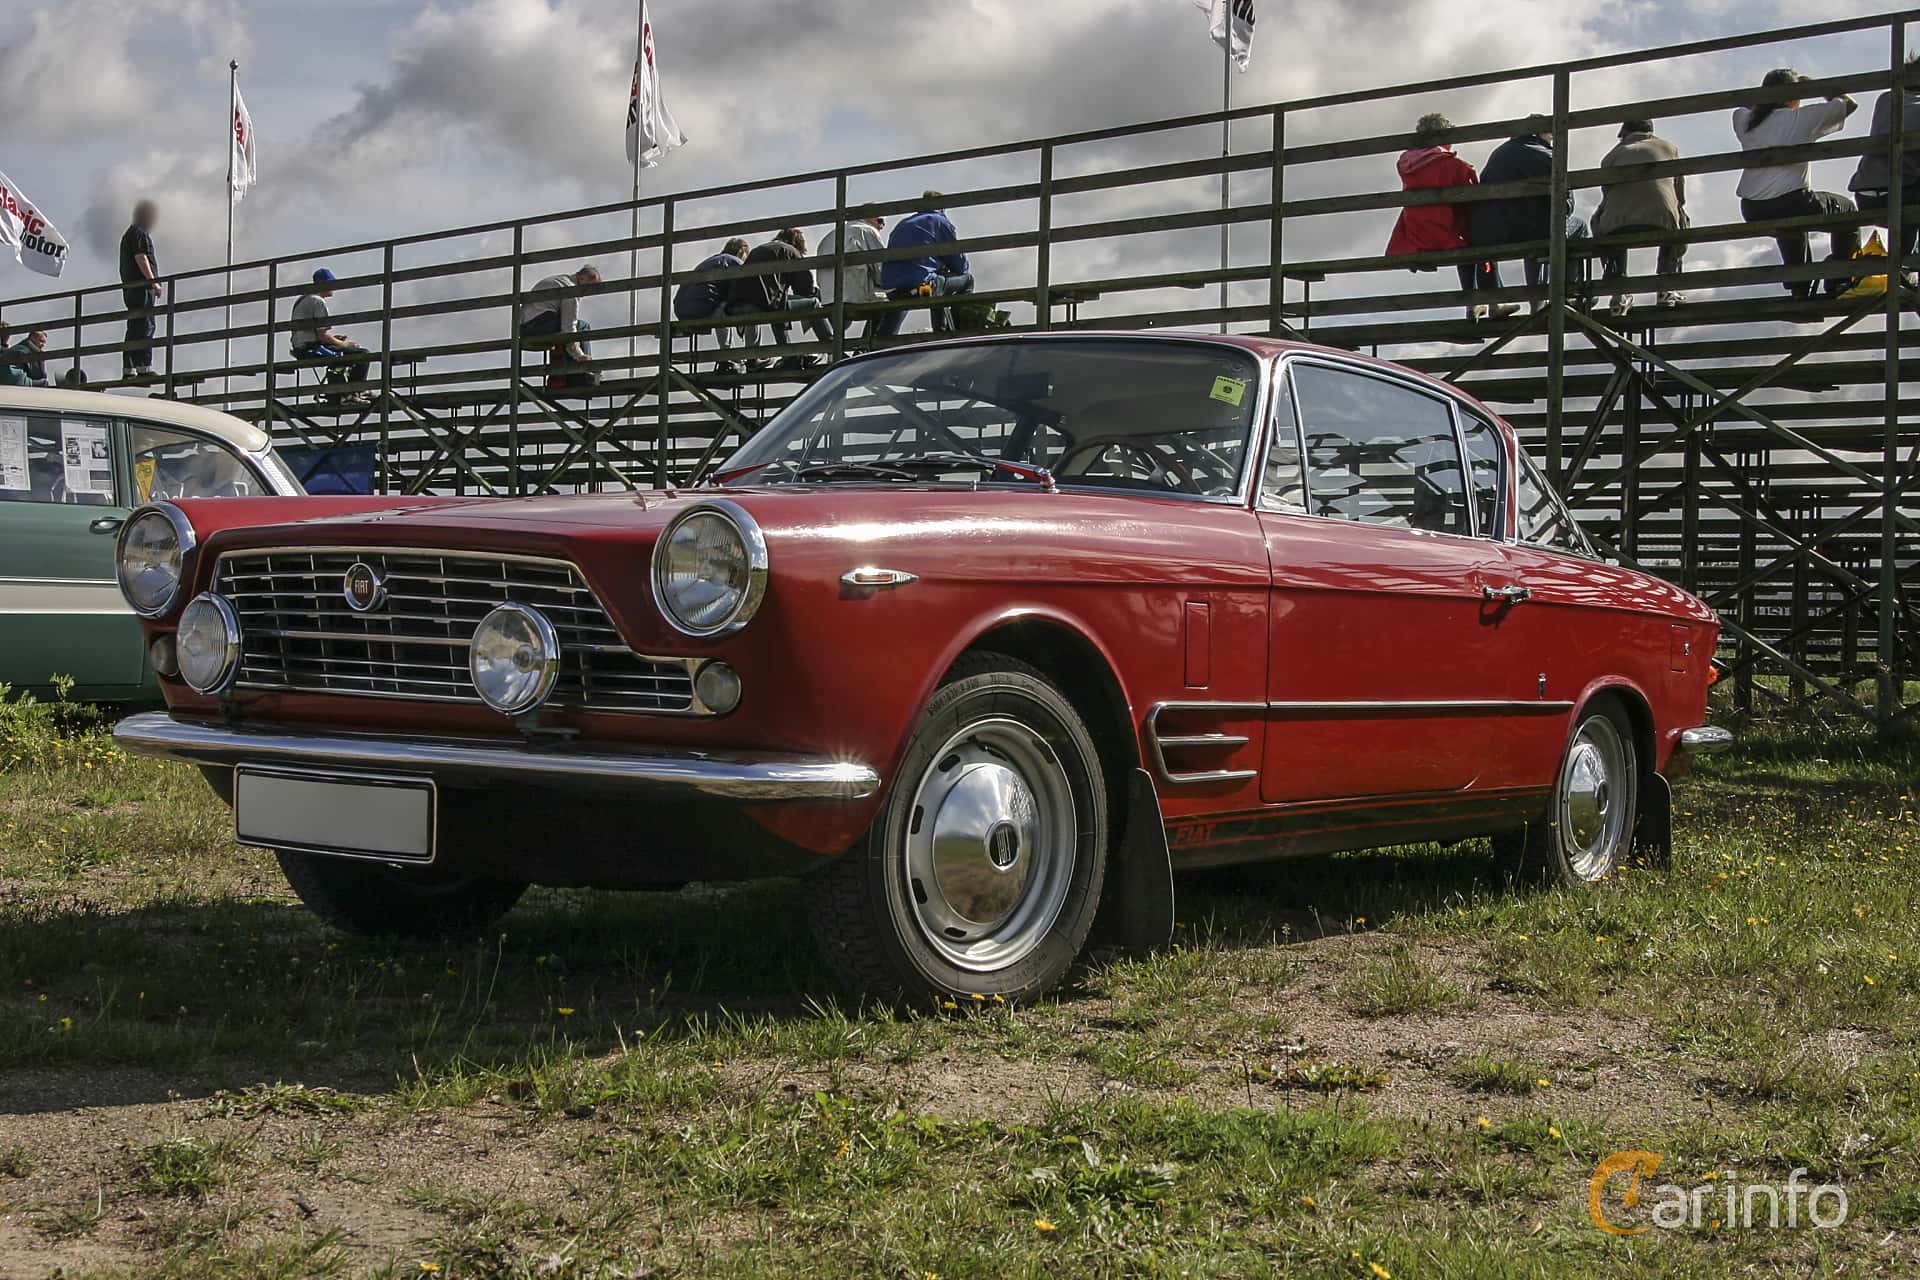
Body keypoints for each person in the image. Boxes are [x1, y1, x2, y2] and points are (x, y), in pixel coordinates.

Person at [1733, 69, 1860, 300]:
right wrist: (1814, 86)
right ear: (1794, 97)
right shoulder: (1802, 118)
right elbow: (1849, 104)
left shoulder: (1745, 121)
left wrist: (1767, 96)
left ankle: (1800, 290)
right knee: (1849, 211)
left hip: (1752, 207)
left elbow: (1743, 104)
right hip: (1793, 202)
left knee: (1790, 226)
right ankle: (1840, 278)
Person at [1386, 113, 1516, 323]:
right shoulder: (1454, 166)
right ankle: (1493, 303)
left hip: (1416, 234)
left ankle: (1473, 304)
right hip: (1444, 232)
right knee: (1480, 236)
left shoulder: (1406, 164)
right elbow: (1472, 198)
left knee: (1465, 237)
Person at [1473, 119, 1590, 306]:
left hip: (1498, 233)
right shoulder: (1548, 155)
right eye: (1549, 135)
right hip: (1535, 230)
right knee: (1578, 226)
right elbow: (1565, 205)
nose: (1551, 139)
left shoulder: (1497, 154)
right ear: (1538, 134)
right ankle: (1569, 294)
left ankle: (1517, 301)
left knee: (1537, 227)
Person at [1595, 119, 1688, 316]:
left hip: (1617, 225)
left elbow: (1607, 194)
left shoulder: (1611, 156)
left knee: (1603, 222)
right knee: (1679, 217)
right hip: (1661, 221)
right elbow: (1680, 197)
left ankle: (1618, 291)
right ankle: (1666, 286)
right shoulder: (1670, 148)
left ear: (1625, 133)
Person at [726, 229, 833, 371]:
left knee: (779, 305)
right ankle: (833, 349)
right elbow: (805, 289)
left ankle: (788, 357)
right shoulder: (791, 251)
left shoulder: (760, 250)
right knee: (813, 304)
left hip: (739, 303)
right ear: (798, 245)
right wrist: (817, 294)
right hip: (764, 303)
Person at [1849, 55, 1920, 265]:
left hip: (1865, 195)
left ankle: (1901, 266)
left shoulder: (1886, 98)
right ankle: (1903, 265)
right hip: (1899, 193)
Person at [876, 194, 973, 337]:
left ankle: (883, 340)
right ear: (942, 207)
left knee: (909, 292)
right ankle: (955, 333)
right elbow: (959, 265)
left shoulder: (904, 223)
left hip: (892, 288)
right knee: (967, 280)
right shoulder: (939, 221)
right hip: (921, 287)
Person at [290, 269, 377, 403]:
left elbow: (314, 333)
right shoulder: (318, 301)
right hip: (311, 349)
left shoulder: (302, 299)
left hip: (301, 347)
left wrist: (334, 339)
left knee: (345, 353)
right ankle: (354, 391)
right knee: (362, 354)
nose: (334, 287)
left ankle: (344, 391)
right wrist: (344, 344)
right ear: (324, 284)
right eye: (332, 283)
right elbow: (322, 335)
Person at [673, 238, 751, 376]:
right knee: (726, 309)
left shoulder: (711, 261)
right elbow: (749, 284)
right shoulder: (733, 261)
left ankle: (730, 357)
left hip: (681, 310)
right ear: (741, 252)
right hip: (702, 306)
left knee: (720, 306)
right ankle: (733, 357)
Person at [520, 265, 600, 387]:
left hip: (524, 327)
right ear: (582, 278)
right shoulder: (571, 290)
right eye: (589, 287)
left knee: (567, 331)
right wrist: (579, 355)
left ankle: (569, 375)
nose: (587, 292)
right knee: (583, 326)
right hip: (539, 324)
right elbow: (568, 328)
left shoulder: (559, 280)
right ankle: (585, 372)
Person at [819, 215, 887, 341]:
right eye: (880, 221)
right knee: (889, 305)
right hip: (853, 298)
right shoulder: (866, 230)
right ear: (869, 216)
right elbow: (881, 270)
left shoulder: (829, 236)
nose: (882, 226)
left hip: (828, 300)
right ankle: (867, 346)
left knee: (840, 330)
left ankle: (837, 348)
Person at [118, 200, 162, 380]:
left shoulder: (129, 234)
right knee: (145, 325)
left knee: (135, 326)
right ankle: (143, 366)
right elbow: (141, 257)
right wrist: (154, 282)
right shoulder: (139, 233)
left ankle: (130, 368)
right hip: (141, 288)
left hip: (132, 288)